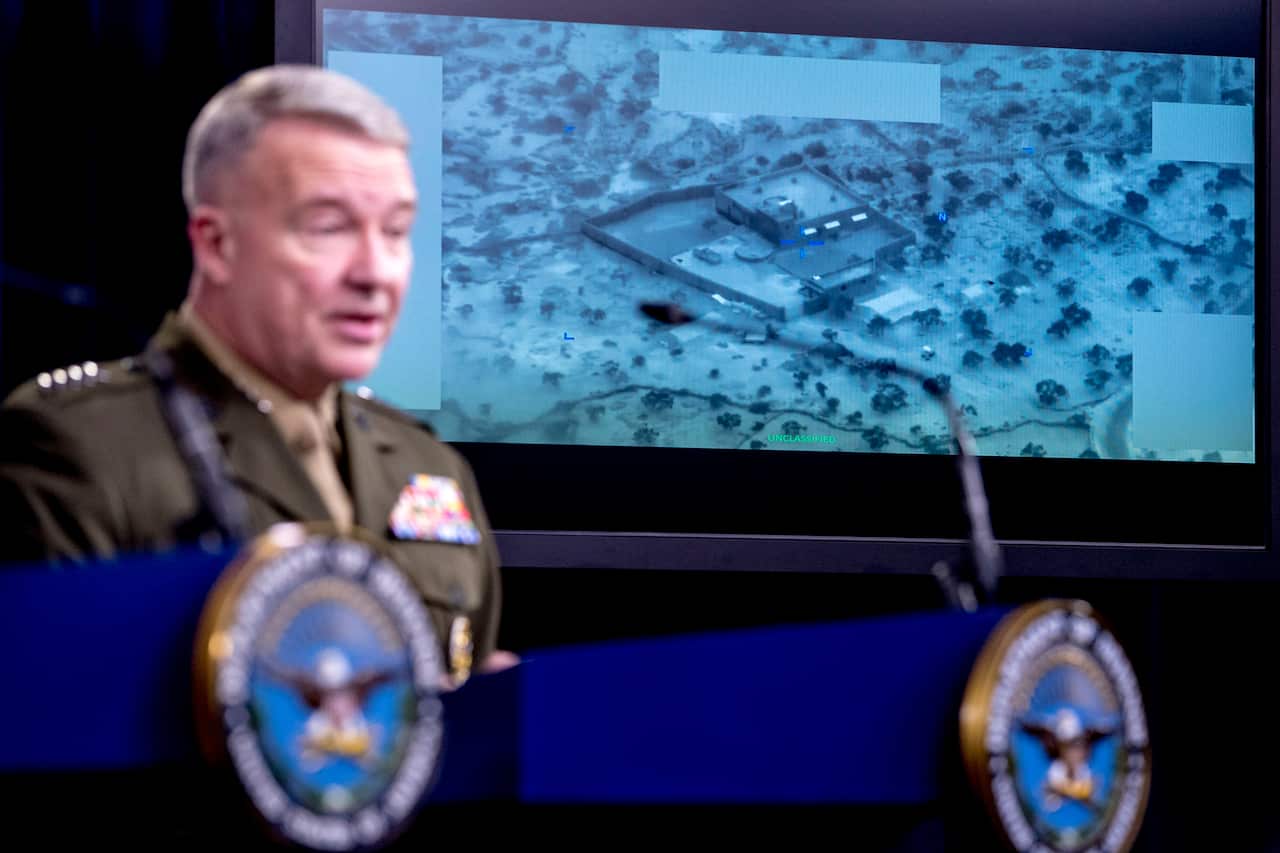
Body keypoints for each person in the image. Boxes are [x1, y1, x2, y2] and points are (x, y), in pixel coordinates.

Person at [0, 64, 515, 684]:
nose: (376, 271)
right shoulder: (81, 450)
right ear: (217, 246)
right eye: (329, 227)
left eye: (397, 232)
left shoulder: (429, 469)